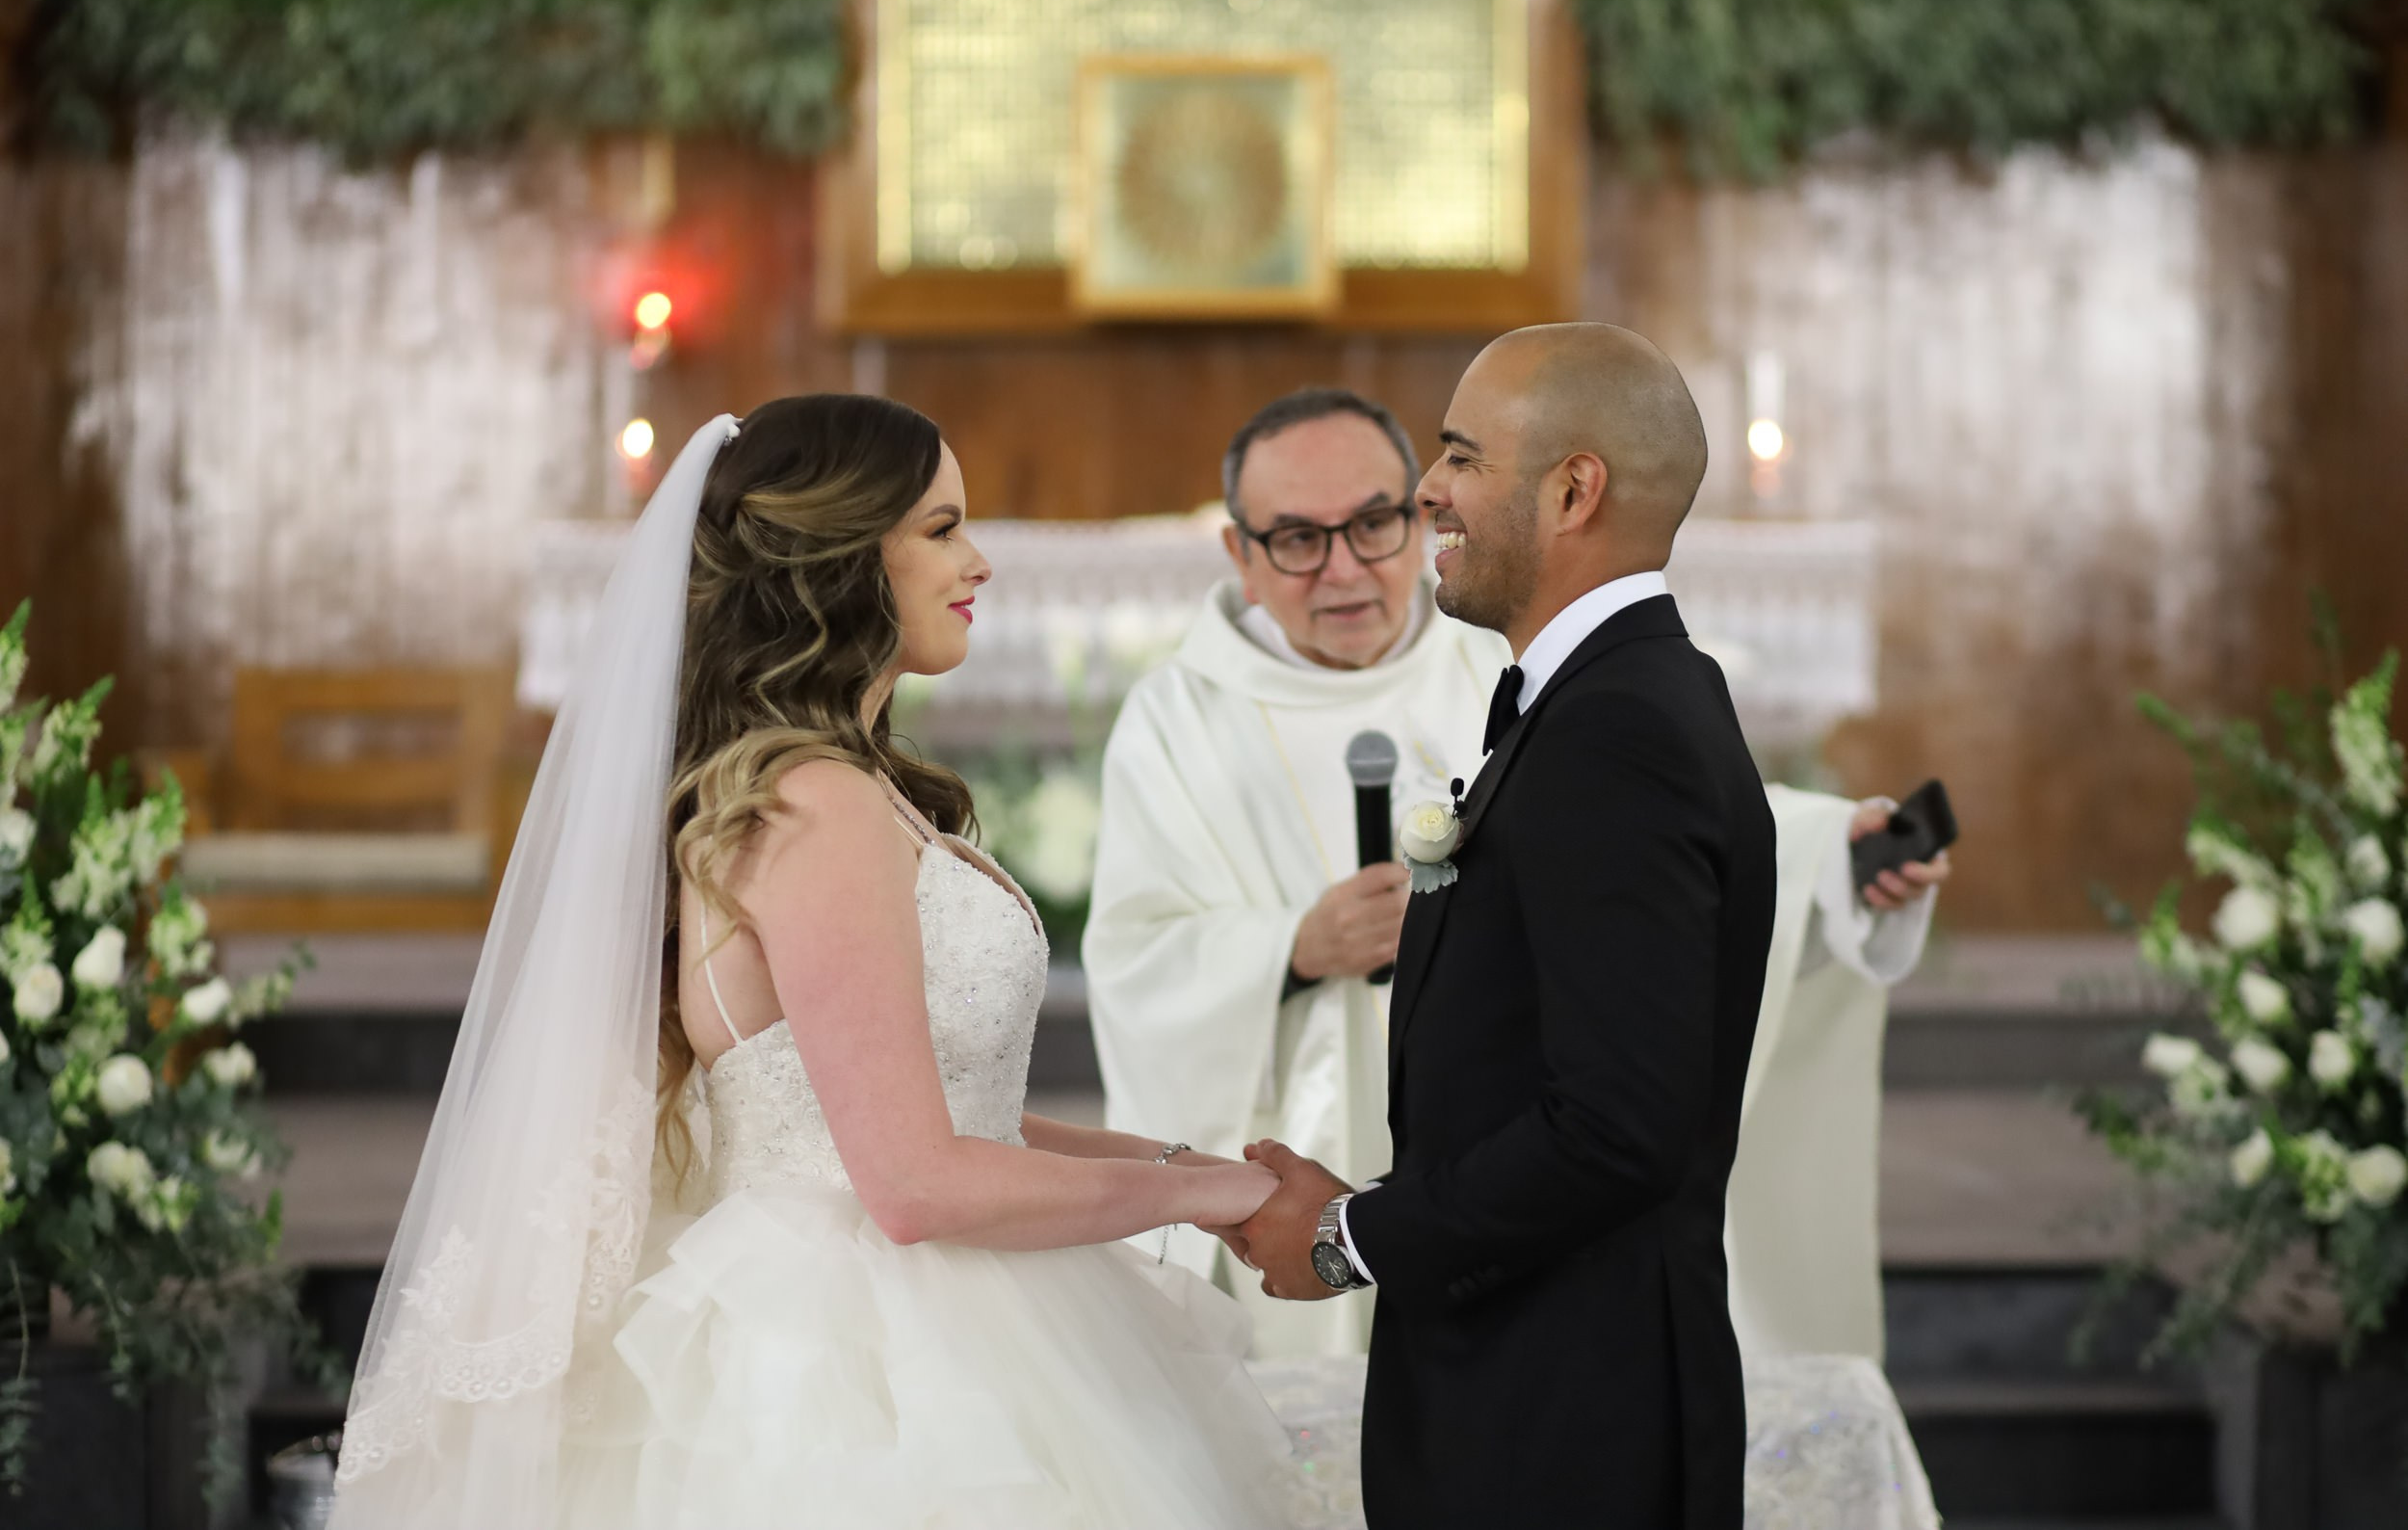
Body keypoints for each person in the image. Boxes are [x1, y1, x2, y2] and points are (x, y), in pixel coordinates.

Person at [330, 396, 1292, 1529]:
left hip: (886, 1300)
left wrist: (1185, 1164)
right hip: (858, 1360)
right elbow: (915, 1181)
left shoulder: (825, 783)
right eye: (941, 528)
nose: (978, 561)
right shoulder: (818, 802)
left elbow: (945, 1109)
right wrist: (1201, 1193)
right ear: (842, 558)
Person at [1085, 386, 1945, 1360]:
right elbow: (1132, 957)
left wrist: (1834, 853)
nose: (1343, 568)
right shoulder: (1178, 719)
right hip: (1295, 1152)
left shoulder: (1507, 654)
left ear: (1422, 515)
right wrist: (1290, 946)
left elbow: (1648, 825)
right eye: (1296, 539)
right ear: (1240, 553)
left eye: (1372, 524)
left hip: (1502, 1153)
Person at [1235, 324, 1779, 1529]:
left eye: (1463, 456)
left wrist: (1346, 1236)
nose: (1428, 490)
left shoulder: (1616, 728)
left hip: (1567, 1426)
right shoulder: (1612, 697)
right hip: (1538, 1388)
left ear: (1573, 491)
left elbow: (1616, 1126)